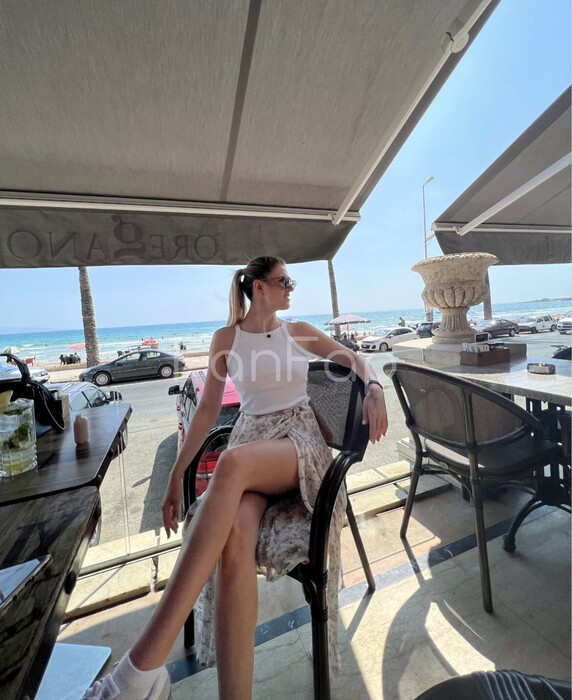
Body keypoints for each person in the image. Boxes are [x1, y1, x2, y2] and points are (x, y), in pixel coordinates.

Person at [83, 256, 388, 700]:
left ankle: (135, 674)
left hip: (298, 444)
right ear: (258, 287)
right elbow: (208, 410)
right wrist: (175, 473)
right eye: (284, 281)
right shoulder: (225, 340)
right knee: (234, 543)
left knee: (229, 464)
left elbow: (356, 360)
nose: (291, 288)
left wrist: (375, 389)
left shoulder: (298, 331)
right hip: (251, 448)